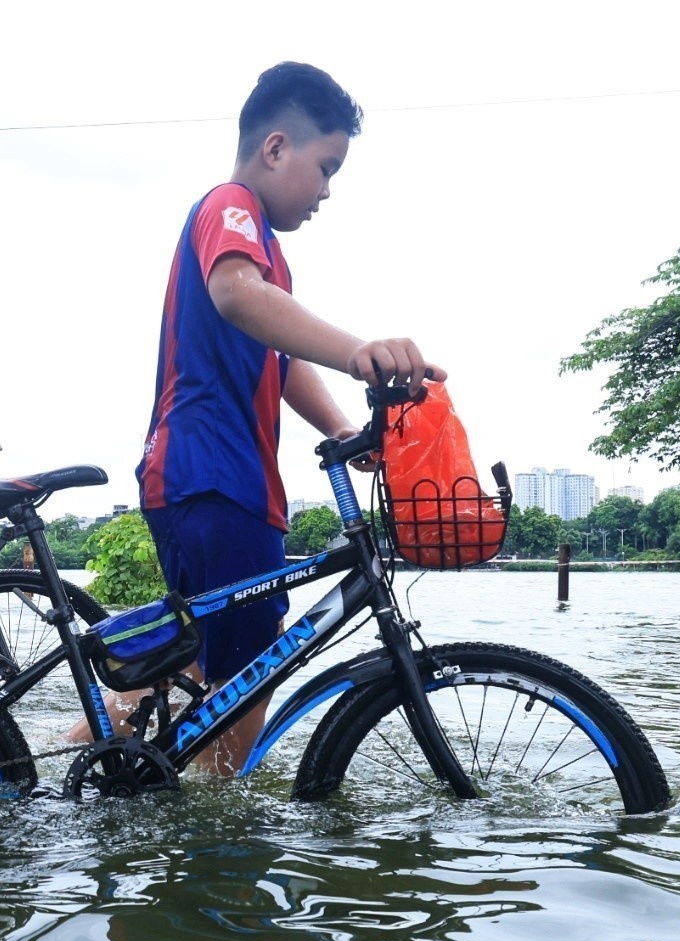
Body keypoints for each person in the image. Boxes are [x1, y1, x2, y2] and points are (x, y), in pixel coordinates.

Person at [112, 61, 446, 773]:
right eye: (325, 167)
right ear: (274, 148)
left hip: (222, 479)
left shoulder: (268, 253)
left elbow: (279, 357)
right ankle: (223, 842)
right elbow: (238, 297)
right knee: (250, 666)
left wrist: (338, 430)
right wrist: (361, 351)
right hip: (211, 473)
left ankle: (87, 769)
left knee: (206, 667)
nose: (327, 190)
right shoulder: (231, 208)